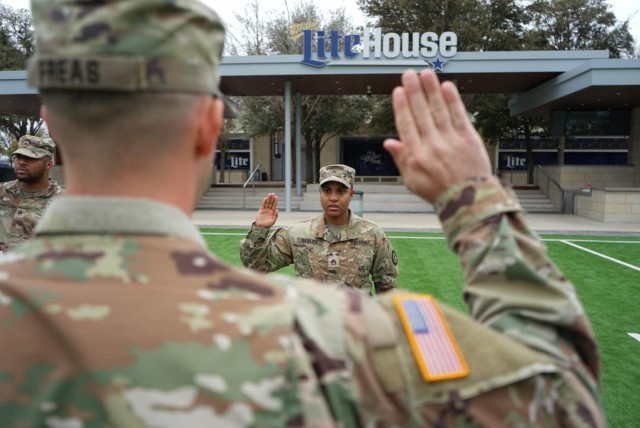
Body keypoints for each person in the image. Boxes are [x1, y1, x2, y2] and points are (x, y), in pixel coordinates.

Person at [0, 0, 605, 426]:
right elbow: (563, 402)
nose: (332, 195)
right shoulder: (342, 342)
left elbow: (384, 276)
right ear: (210, 127)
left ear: (48, 124)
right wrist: (473, 196)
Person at [240, 163, 398, 295]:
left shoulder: (373, 234)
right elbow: (256, 266)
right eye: (327, 191)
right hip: (311, 328)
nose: (333, 198)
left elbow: (386, 287)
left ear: (351, 194)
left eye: (341, 191)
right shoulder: (298, 233)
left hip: (355, 327)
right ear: (320, 192)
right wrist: (260, 229)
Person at [0, 134, 63, 252]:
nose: (21, 162)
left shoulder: (63, 202)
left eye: (31, 158)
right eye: (19, 157)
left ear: (48, 164)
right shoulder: (2, 191)